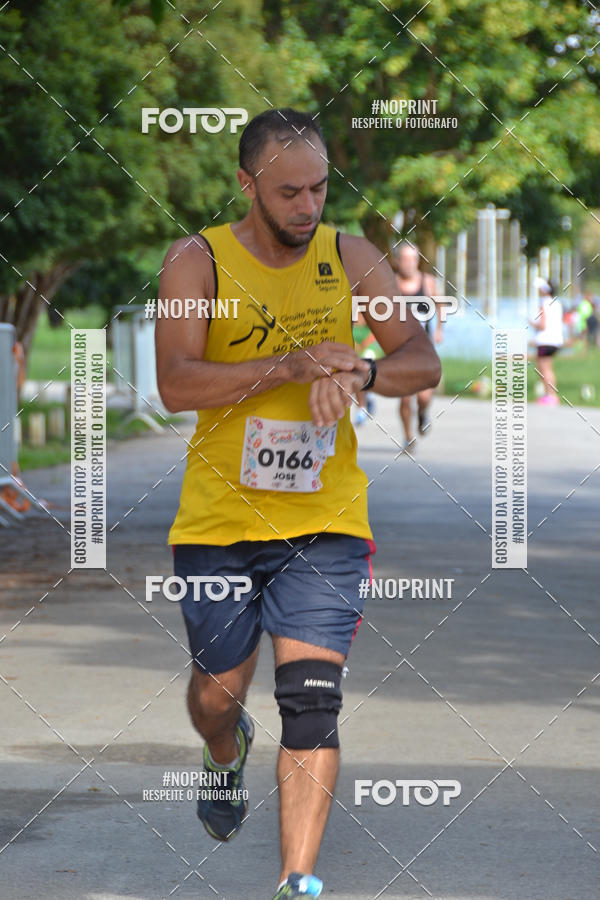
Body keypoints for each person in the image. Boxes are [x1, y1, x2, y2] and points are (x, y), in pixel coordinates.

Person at [155, 108, 440, 900]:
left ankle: (296, 881)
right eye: (288, 192)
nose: (307, 206)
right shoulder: (196, 261)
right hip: (217, 522)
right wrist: (289, 365)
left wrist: (364, 376)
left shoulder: (349, 256)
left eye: (317, 187)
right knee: (216, 697)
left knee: (311, 703)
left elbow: (422, 358)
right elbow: (176, 382)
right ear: (247, 184)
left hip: (326, 520)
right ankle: (223, 750)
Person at [393, 242, 443, 450]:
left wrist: (440, 329)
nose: (409, 263)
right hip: (400, 349)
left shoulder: (428, 282)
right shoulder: (391, 283)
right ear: (397, 262)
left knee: (424, 396)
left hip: (424, 348)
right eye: (404, 259)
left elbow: (440, 304)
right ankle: (408, 437)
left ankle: (423, 413)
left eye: (413, 258)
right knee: (405, 398)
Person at [530, 278, 564, 405]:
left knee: (544, 369)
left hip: (545, 340)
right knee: (548, 368)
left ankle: (551, 395)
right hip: (555, 340)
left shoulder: (544, 303)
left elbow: (542, 325)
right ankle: (550, 395)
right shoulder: (557, 303)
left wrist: (531, 323)